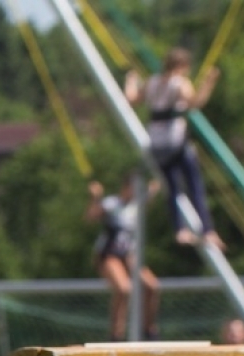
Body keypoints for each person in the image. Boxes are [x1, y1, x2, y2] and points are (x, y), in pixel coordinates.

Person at [126, 48, 222, 250]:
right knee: (195, 185)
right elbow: (195, 103)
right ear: (183, 66)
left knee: (172, 189)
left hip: (157, 145)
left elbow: (132, 99)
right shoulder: (179, 83)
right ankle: (208, 230)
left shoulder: (152, 83)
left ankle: (180, 230)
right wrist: (210, 82)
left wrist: (131, 80)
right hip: (176, 143)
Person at [86, 176, 162, 340]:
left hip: (128, 256)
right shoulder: (112, 203)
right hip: (109, 254)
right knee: (124, 289)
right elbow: (91, 217)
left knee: (151, 286)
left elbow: (153, 189)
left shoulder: (136, 206)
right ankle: (116, 334)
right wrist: (95, 197)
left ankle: (148, 330)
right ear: (125, 187)